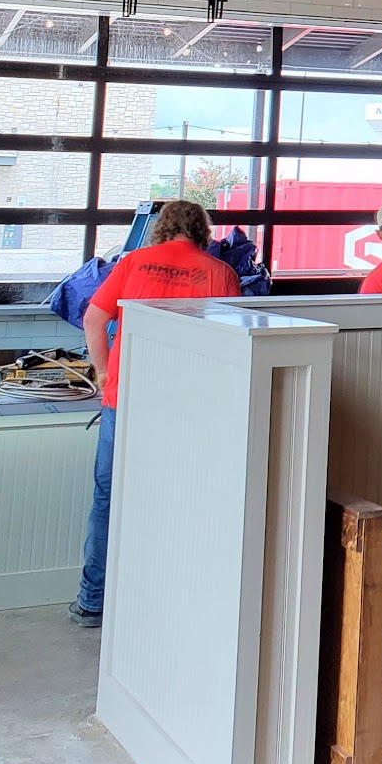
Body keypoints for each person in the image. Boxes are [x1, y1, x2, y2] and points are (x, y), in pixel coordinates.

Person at [70, 198, 240, 627]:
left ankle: (93, 602)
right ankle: (170, 600)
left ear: (161, 228)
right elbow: (233, 344)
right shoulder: (221, 273)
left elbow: (93, 320)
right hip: (191, 406)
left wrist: (104, 372)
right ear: (202, 231)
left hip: (127, 398)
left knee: (110, 497)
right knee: (184, 498)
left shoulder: (132, 264)